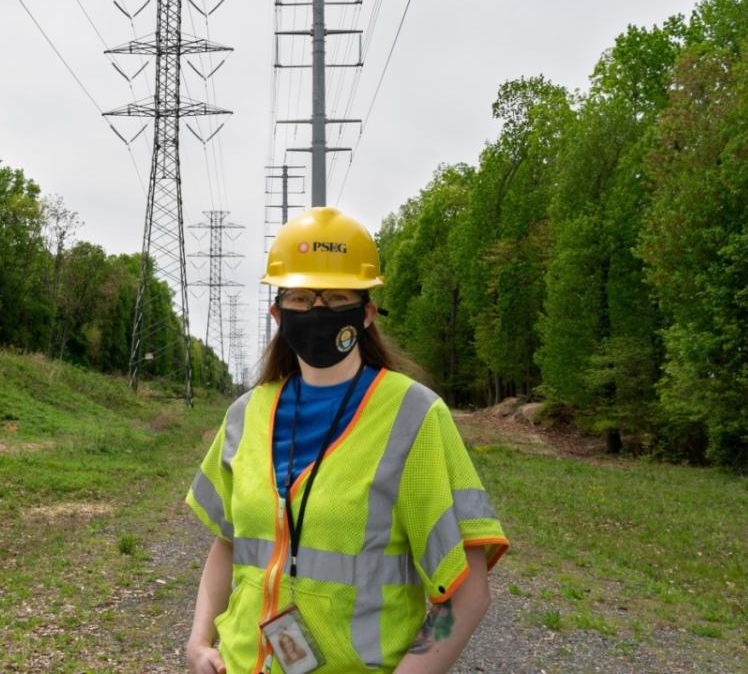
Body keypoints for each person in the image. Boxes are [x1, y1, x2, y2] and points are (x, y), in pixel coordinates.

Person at [186, 206, 509, 674]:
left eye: (336, 296)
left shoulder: (414, 416)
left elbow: (468, 592)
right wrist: (199, 641)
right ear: (278, 313)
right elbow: (229, 543)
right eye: (300, 299)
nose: (317, 311)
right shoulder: (247, 413)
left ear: (367, 312)